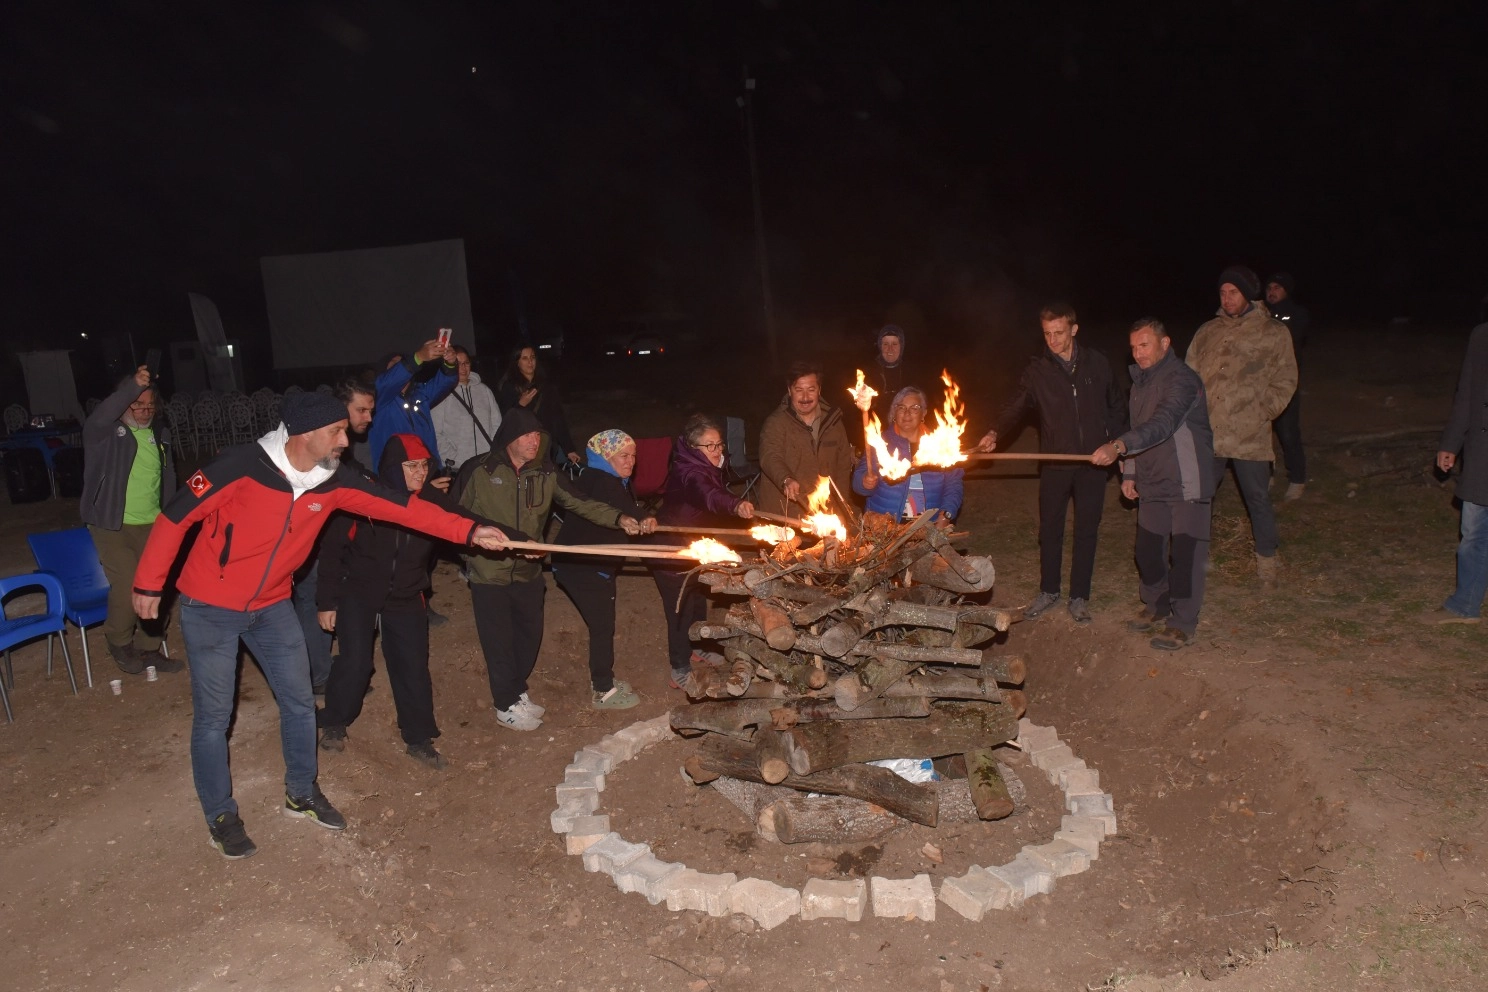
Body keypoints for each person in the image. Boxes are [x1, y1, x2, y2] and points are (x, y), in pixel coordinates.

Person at [131, 391, 510, 859]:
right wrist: (149, 584)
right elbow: (174, 517)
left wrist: (470, 531)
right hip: (210, 605)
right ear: (305, 433)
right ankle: (221, 815)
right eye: (336, 431)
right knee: (213, 718)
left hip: (272, 605)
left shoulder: (333, 481)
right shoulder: (240, 466)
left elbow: (403, 507)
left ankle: (301, 792)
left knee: (299, 702)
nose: (345, 441)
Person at [459, 407, 644, 731]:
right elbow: (454, 516)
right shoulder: (479, 471)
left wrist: (618, 518)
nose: (535, 441)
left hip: (529, 572)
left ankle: (516, 692)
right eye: (527, 435)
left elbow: (580, 502)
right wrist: (467, 553)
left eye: (538, 435)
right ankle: (505, 704)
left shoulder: (545, 473)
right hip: (490, 572)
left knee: (528, 637)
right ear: (510, 439)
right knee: (499, 641)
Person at [316, 434, 474, 767]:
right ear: (391, 467)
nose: (420, 473)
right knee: (355, 661)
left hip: (406, 592)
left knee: (413, 666)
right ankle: (334, 722)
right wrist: (326, 601)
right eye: (411, 466)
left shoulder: (432, 499)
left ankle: (418, 738)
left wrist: (510, 539)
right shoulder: (366, 497)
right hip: (358, 589)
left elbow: (470, 524)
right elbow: (332, 551)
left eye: (424, 465)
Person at [976, 302, 1125, 623]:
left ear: (1074, 329)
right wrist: (994, 432)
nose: (1053, 340)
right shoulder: (1037, 371)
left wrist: (1115, 445)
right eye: (1047, 334)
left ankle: (1079, 596)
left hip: (1092, 464)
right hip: (1055, 465)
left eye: (1059, 333)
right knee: (1050, 530)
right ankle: (1049, 591)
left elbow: (1116, 405)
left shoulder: (1097, 364)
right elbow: (1015, 407)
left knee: (1087, 530)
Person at [1091, 319, 1216, 650]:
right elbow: (1137, 427)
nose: (1137, 352)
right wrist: (1129, 471)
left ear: (1165, 344)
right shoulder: (1140, 384)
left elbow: (1162, 424)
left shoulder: (1183, 381)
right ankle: (1157, 605)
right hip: (1152, 481)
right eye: (1133, 347)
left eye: (1144, 345)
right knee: (1147, 552)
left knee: (1186, 556)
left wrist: (1117, 446)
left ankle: (1183, 622)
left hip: (1186, 482)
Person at [1186, 266, 1297, 591]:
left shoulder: (1273, 332)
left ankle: (1267, 564)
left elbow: (1287, 378)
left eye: (1233, 292)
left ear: (1248, 293)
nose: (1227, 298)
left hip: (1250, 433)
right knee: (1200, 497)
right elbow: (1189, 373)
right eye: (1223, 292)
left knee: (1257, 498)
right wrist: (1192, 412)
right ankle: (1196, 560)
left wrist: (1265, 409)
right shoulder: (1207, 330)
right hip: (1209, 430)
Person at [80, 366, 182, 675]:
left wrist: (173, 512)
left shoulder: (159, 433)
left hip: (153, 523)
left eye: (149, 405)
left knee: (156, 585)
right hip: (113, 523)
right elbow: (100, 415)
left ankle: (150, 648)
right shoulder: (105, 433)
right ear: (123, 401)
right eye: (137, 404)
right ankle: (119, 640)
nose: (144, 410)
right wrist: (131, 387)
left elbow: (168, 477)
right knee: (127, 584)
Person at [552, 430, 658, 709]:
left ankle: (603, 682)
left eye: (633, 456)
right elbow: (622, 507)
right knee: (602, 625)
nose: (631, 462)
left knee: (603, 622)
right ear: (604, 456)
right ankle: (602, 690)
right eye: (623, 455)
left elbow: (625, 506)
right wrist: (643, 517)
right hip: (581, 567)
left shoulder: (611, 480)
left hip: (591, 565)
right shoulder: (600, 480)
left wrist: (641, 517)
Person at [653, 414, 754, 690]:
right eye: (710, 446)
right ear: (691, 448)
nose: (718, 450)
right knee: (679, 609)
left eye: (719, 444)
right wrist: (734, 505)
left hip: (694, 544)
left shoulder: (706, 464)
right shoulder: (691, 472)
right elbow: (708, 494)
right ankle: (679, 668)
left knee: (698, 598)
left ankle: (698, 646)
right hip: (670, 548)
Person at [293, 375, 376, 692]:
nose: (368, 417)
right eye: (362, 410)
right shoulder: (316, 440)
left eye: (370, 410)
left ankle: (324, 669)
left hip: (324, 532)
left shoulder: (337, 440)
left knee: (319, 596)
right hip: (308, 535)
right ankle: (319, 676)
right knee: (314, 599)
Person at [1424, 321, 1488, 624]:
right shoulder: (1481, 335)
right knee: (1473, 533)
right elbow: (1466, 393)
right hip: (1482, 454)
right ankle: (1465, 604)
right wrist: (1451, 442)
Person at [757, 362, 856, 518]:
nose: (805, 397)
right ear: (789, 391)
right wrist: (786, 479)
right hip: (786, 514)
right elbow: (770, 456)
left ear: (819, 390)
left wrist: (843, 509)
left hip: (825, 514)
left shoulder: (833, 422)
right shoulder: (776, 423)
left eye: (811, 390)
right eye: (799, 390)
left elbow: (843, 468)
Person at [854, 386, 964, 522]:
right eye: (901, 407)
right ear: (894, 412)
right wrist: (864, 482)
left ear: (924, 413)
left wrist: (946, 515)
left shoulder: (939, 443)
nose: (907, 413)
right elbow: (859, 483)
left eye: (914, 408)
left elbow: (953, 484)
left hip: (928, 525)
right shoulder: (879, 442)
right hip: (885, 526)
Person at [369, 336, 458, 468]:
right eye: (394, 364)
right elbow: (386, 383)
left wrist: (450, 363)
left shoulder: (420, 394)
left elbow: (444, 383)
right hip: (395, 474)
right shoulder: (380, 398)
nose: (400, 366)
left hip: (427, 470)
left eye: (402, 363)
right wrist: (418, 357)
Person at [1265, 273, 1311, 501]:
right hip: (1262, 382)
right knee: (1262, 430)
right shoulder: (1260, 313)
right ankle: (1266, 473)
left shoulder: (1297, 313)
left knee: (1288, 431)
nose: (1271, 291)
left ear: (1286, 290)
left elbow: (1294, 339)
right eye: (1269, 287)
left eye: (1277, 287)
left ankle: (1297, 478)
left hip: (1286, 382)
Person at [495, 345, 579, 466]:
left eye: (532, 357)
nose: (530, 362)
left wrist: (569, 448)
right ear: (517, 362)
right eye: (524, 358)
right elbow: (506, 420)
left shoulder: (546, 386)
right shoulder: (510, 387)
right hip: (523, 447)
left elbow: (558, 418)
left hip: (547, 444)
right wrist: (520, 404)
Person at [432, 345, 501, 472]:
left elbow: (497, 424)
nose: (462, 368)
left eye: (466, 363)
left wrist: (493, 452)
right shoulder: (442, 393)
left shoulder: (484, 391)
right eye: (458, 363)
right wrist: (453, 457)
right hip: (457, 467)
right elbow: (435, 431)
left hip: (486, 464)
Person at [866, 324, 912, 417]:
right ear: (880, 346)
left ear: (901, 346)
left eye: (894, 344)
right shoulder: (868, 373)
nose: (890, 349)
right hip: (876, 426)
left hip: (906, 425)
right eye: (886, 344)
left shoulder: (911, 371)